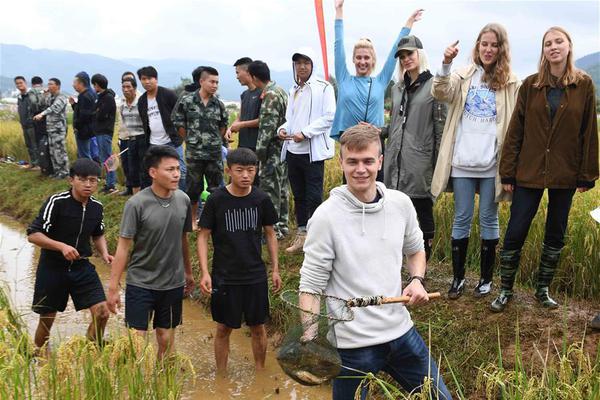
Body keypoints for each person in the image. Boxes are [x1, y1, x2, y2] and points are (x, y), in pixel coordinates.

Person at [299, 125, 451, 399]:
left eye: (368, 161)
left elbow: (415, 250)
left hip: (401, 333)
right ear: (341, 162)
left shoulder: (401, 204)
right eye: (353, 162)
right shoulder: (325, 218)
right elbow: (310, 286)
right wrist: (311, 339)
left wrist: (416, 280)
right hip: (351, 346)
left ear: (380, 162)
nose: (361, 169)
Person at [490, 27, 599, 312]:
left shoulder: (584, 85)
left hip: (565, 170)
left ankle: (542, 289)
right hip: (529, 169)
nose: (553, 47)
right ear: (543, 50)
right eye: (548, 43)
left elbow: (589, 130)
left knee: (556, 231)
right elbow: (516, 130)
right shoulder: (531, 85)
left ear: (568, 46)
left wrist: (587, 174)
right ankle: (505, 290)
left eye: (558, 41)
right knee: (516, 228)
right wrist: (508, 171)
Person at [431, 24, 520, 299]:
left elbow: (516, 124)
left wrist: (512, 168)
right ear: (477, 47)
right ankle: (458, 279)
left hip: (492, 164)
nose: (488, 49)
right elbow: (440, 92)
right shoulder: (463, 75)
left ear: (501, 49)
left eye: (494, 45)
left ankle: (485, 279)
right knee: (462, 217)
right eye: (484, 44)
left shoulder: (511, 82)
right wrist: (446, 63)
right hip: (462, 162)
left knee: (488, 218)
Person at [197, 148, 282, 372]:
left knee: (258, 327)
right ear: (228, 171)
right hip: (224, 276)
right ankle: (222, 376)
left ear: (256, 171)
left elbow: (270, 233)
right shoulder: (216, 200)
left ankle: (260, 372)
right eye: (240, 170)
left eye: (250, 170)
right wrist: (205, 272)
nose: (246, 175)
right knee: (223, 328)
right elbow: (203, 235)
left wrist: (275, 269)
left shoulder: (261, 199)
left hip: (255, 275)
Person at [107, 145, 195, 359]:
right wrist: (112, 287)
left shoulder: (183, 200)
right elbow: (123, 247)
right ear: (153, 172)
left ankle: (161, 383)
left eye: (178, 168)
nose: (176, 174)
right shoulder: (136, 204)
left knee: (165, 338)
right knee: (136, 340)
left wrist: (189, 273)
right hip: (141, 282)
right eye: (170, 169)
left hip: (173, 282)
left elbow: (182, 239)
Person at [26, 159, 113, 352]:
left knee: (102, 312)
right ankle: (40, 355)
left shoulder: (96, 207)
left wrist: (105, 253)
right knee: (47, 319)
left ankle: (91, 349)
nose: (88, 185)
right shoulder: (56, 202)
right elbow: (33, 234)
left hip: (81, 266)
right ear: (71, 180)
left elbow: (97, 233)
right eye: (82, 180)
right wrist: (61, 247)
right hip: (53, 266)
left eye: (93, 180)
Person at [331, 0, 423, 182]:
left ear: (372, 60)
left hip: (374, 143)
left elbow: (394, 51)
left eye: (366, 57)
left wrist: (409, 23)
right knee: (350, 191)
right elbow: (338, 44)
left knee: (377, 190)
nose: (362, 61)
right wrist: (339, 10)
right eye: (358, 58)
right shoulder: (343, 78)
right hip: (350, 144)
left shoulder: (380, 81)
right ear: (353, 60)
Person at [382, 36, 446, 260]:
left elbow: (441, 129)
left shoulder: (434, 86)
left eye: (409, 54)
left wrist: (438, 167)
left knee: (422, 214)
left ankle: (422, 266)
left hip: (420, 164)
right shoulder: (398, 88)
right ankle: (398, 263)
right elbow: (395, 124)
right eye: (401, 56)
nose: (406, 59)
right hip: (395, 163)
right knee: (395, 214)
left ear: (420, 54)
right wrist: (377, 130)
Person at [277, 48, 336, 253]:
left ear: (312, 65)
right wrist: (283, 129)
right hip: (293, 150)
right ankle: (302, 235)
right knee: (298, 195)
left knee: (314, 196)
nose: (302, 67)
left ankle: (317, 238)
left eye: (306, 63)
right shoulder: (294, 89)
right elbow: (290, 118)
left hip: (312, 152)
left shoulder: (324, 87)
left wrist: (306, 132)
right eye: (298, 63)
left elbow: (329, 117)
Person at [172, 67, 228, 229]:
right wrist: (190, 139)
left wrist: (213, 140)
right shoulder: (187, 101)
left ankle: (217, 220)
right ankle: (193, 220)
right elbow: (178, 123)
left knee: (216, 188)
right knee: (193, 188)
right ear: (201, 81)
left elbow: (223, 127)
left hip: (213, 153)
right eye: (211, 81)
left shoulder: (219, 105)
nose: (215, 85)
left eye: (217, 82)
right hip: (194, 153)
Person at [247, 60, 290, 239]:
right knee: (281, 188)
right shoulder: (280, 90)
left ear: (254, 77)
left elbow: (267, 128)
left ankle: (272, 230)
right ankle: (282, 225)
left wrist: (260, 154)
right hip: (283, 149)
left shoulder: (270, 95)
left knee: (270, 190)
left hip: (272, 150)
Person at [137, 66, 186, 190]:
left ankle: (182, 198)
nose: (147, 82)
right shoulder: (142, 101)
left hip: (172, 141)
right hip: (154, 143)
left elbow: (181, 114)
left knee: (180, 171)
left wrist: (180, 135)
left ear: (156, 79)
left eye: (150, 78)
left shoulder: (167, 94)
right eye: (143, 79)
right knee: (156, 173)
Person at [33, 78, 70, 179]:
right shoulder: (50, 96)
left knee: (60, 151)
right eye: (48, 84)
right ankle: (57, 171)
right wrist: (44, 95)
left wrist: (42, 114)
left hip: (58, 129)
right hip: (50, 128)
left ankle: (65, 172)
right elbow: (42, 104)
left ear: (57, 86)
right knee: (52, 151)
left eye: (51, 84)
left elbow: (54, 108)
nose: (48, 86)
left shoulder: (62, 97)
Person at [117, 72, 143, 196]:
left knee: (144, 168)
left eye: (129, 87)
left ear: (134, 87)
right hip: (129, 138)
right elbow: (122, 123)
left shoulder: (141, 102)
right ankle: (135, 195)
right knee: (131, 168)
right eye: (124, 87)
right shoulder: (122, 105)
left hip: (142, 139)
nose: (126, 90)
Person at [228, 58, 262, 154]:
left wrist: (241, 125)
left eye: (238, 73)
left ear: (248, 72)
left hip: (257, 146)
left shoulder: (263, 93)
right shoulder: (244, 94)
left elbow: (264, 120)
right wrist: (230, 129)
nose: (237, 77)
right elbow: (240, 117)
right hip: (243, 144)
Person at [91, 74, 118, 194]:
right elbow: (95, 111)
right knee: (104, 158)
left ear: (97, 85)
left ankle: (111, 184)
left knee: (108, 158)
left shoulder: (107, 98)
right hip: (100, 131)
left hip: (105, 131)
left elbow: (101, 115)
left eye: (94, 84)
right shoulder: (101, 97)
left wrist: (97, 112)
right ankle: (108, 183)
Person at [70, 72, 97, 159]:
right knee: (88, 153)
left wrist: (76, 126)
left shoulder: (85, 96)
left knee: (85, 155)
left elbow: (84, 116)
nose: (73, 85)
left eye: (75, 82)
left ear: (81, 83)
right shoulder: (90, 93)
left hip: (84, 131)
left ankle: (88, 172)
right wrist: (74, 104)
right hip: (90, 130)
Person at [14, 76, 40, 169]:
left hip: (32, 124)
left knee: (34, 144)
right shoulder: (19, 97)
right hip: (24, 124)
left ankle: (38, 165)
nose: (19, 85)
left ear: (25, 83)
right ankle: (32, 163)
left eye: (21, 83)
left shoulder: (31, 94)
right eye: (17, 83)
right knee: (28, 145)